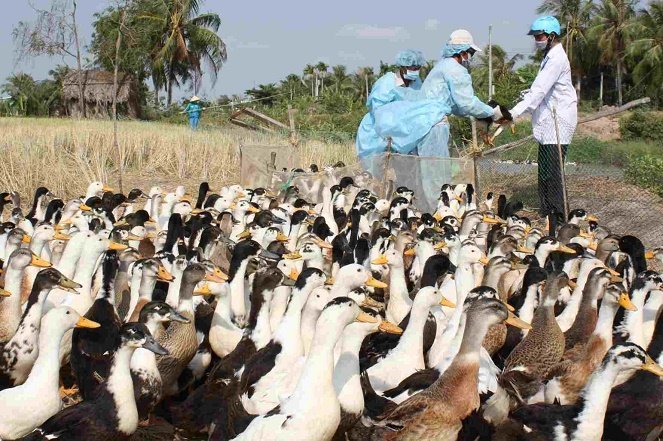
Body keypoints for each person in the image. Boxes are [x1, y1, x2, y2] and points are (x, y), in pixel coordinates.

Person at [510, 16, 577, 216]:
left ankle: (559, 214)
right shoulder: (549, 57)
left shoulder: (556, 59)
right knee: (545, 170)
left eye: (539, 36)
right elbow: (539, 92)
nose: (536, 40)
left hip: (558, 123)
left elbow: (538, 92)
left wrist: (514, 112)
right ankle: (546, 211)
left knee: (554, 173)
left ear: (551, 36)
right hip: (548, 123)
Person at [355, 49, 426, 176]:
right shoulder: (386, 83)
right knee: (376, 171)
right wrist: (390, 129)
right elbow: (378, 110)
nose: (414, 70)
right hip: (377, 133)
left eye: (417, 68)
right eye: (411, 67)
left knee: (405, 170)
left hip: (405, 132)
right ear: (402, 67)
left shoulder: (417, 83)